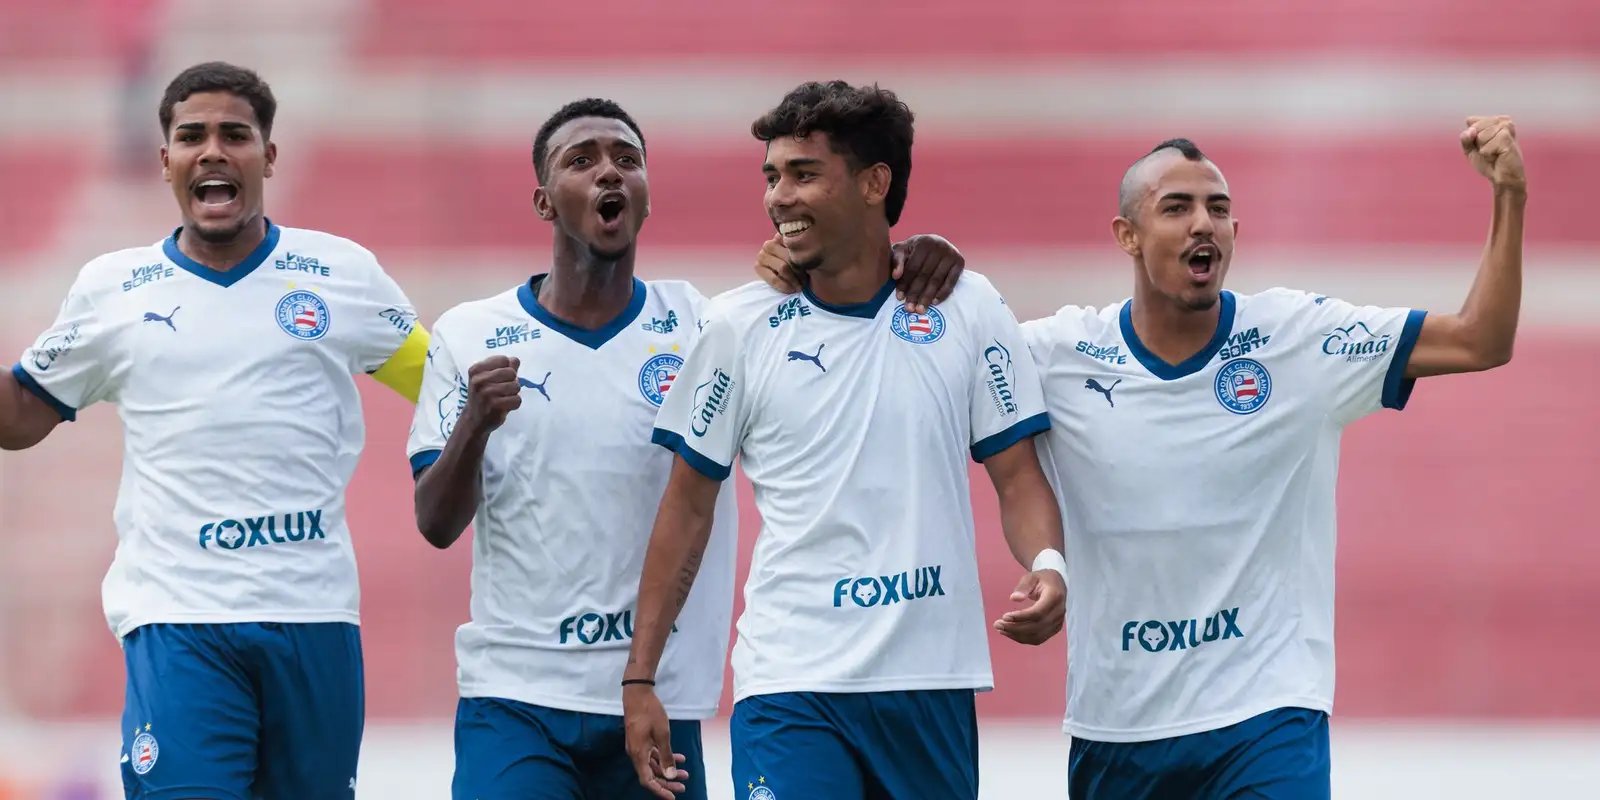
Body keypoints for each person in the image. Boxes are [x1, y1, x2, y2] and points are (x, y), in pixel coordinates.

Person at [754, 115, 1527, 798]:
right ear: (1126, 234)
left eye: (1218, 209)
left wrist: (1509, 198)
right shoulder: (1055, 355)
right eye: (1177, 207)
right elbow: (920, 363)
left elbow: (1480, 340)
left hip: (1267, 715)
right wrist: (869, 259)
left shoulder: (1300, 340)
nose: (1203, 224)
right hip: (1118, 732)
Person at [407, 97, 968, 800]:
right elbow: (435, 523)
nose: (609, 172)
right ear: (544, 201)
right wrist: (473, 425)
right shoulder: (469, 334)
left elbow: (842, 275)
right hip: (517, 696)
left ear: (646, 196)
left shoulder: (707, 326)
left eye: (628, 160)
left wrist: (919, 251)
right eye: (581, 161)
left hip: (661, 700)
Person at [624, 81, 1068, 800]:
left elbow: (1017, 477)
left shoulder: (967, 306)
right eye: (772, 176)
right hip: (790, 683)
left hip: (930, 682)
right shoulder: (737, 326)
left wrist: (1049, 564)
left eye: (804, 174)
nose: (778, 197)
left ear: (874, 183)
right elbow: (685, 509)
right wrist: (640, 678)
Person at [0, 62, 429, 799]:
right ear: (165, 159)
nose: (212, 151)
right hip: (178, 620)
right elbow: (18, 417)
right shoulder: (114, 290)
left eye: (235, 134)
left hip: (312, 616)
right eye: (192, 136)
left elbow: (443, 384)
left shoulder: (341, 275)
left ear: (268, 155)